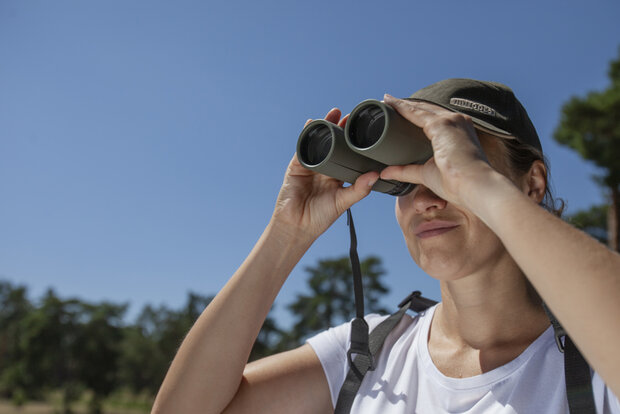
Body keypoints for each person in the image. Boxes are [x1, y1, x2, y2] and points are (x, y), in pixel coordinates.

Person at [151, 79, 620, 413]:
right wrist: (287, 234)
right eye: (407, 175)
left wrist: (478, 184)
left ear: (532, 184)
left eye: (449, 167)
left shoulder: (591, 366)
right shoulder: (368, 356)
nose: (427, 198)